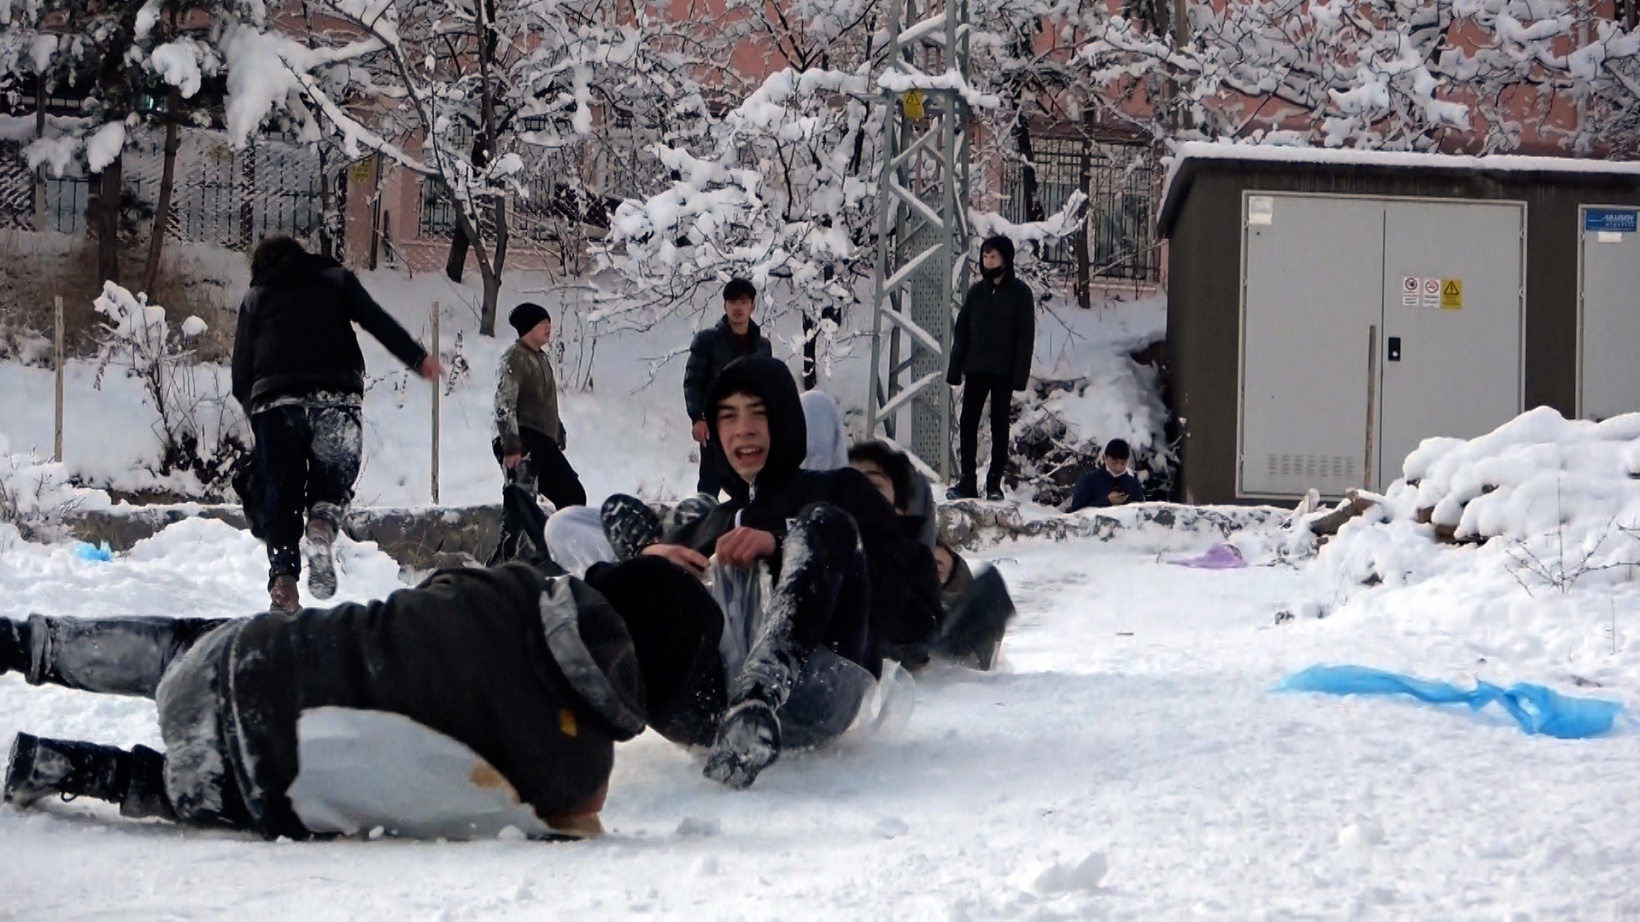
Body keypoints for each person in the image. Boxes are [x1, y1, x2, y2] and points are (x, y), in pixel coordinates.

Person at [0, 560, 656, 841]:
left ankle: (29, 643)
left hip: (251, 658)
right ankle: (59, 767)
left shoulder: (514, 589)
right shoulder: (576, 768)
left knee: (173, 651)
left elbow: (435, 586)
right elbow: (579, 818)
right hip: (270, 776)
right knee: (167, 782)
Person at [606, 355, 943, 788]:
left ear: (783, 419)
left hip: (816, 689)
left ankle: (758, 697)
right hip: (707, 711)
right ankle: (553, 720)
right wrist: (650, 561)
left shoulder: (839, 489)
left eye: (758, 413)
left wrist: (783, 544)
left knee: (828, 523)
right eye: (728, 416)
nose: (743, 429)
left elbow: (914, 602)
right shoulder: (712, 522)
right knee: (631, 578)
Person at [232, 235, 442, 613]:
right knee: (333, 475)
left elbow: (240, 375)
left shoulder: (257, 296)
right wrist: (417, 358)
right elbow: (375, 319)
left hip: (276, 402)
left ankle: (284, 583)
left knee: (280, 493)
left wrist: (260, 419)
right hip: (336, 393)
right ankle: (322, 524)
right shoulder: (334, 278)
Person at [847, 440, 1015, 671]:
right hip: (860, 659)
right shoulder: (829, 543)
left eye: (874, 486)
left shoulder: (915, 556)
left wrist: (951, 572)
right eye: (851, 484)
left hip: (911, 658)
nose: (862, 494)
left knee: (989, 589)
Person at [491, 303, 586, 563]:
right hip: (521, 438)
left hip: (544, 440)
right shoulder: (514, 358)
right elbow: (504, 403)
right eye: (544, 324)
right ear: (529, 328)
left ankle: (560, 552)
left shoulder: (541, 358)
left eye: (549, 324)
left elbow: (544, 402)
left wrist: (557, 431)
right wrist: (511, 445)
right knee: (522, 499)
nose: (549, 329)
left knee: (572, 494)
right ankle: (506, 558)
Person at [946, 235, 1035, 501]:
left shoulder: (1020, 293)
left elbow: (1025, 336)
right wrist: (955, 368)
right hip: (976, 369)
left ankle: (994, 482)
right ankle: (967, 480)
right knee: (968, 423)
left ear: (1005, 259)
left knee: (999, 427)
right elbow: (962, 331)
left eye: (993, 256)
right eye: (985, 256)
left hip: (1003, 372)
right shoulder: (976, 293)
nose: (987, 261)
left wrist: (1020, 375)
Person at [684, 278, 772, 497]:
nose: (737, 307)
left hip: (749, 426)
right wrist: (697, 418)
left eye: (743, 301)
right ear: (725, 305)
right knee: (709, 484)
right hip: (715, 424)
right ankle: (705, 518)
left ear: (752, 306)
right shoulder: (707, 340)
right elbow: (693, 381)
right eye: (732, 301)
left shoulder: (762, 346)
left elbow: (768, 386)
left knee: (747, 485)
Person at [1068, 438, 1146, 513]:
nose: (1118, 467)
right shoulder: (1089, 482)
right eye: (1114, 462)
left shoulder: (1134, 485)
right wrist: (1106, 501)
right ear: (1104, 458)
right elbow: (1075, 514)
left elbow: (1142, 515)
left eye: (1123, 463)